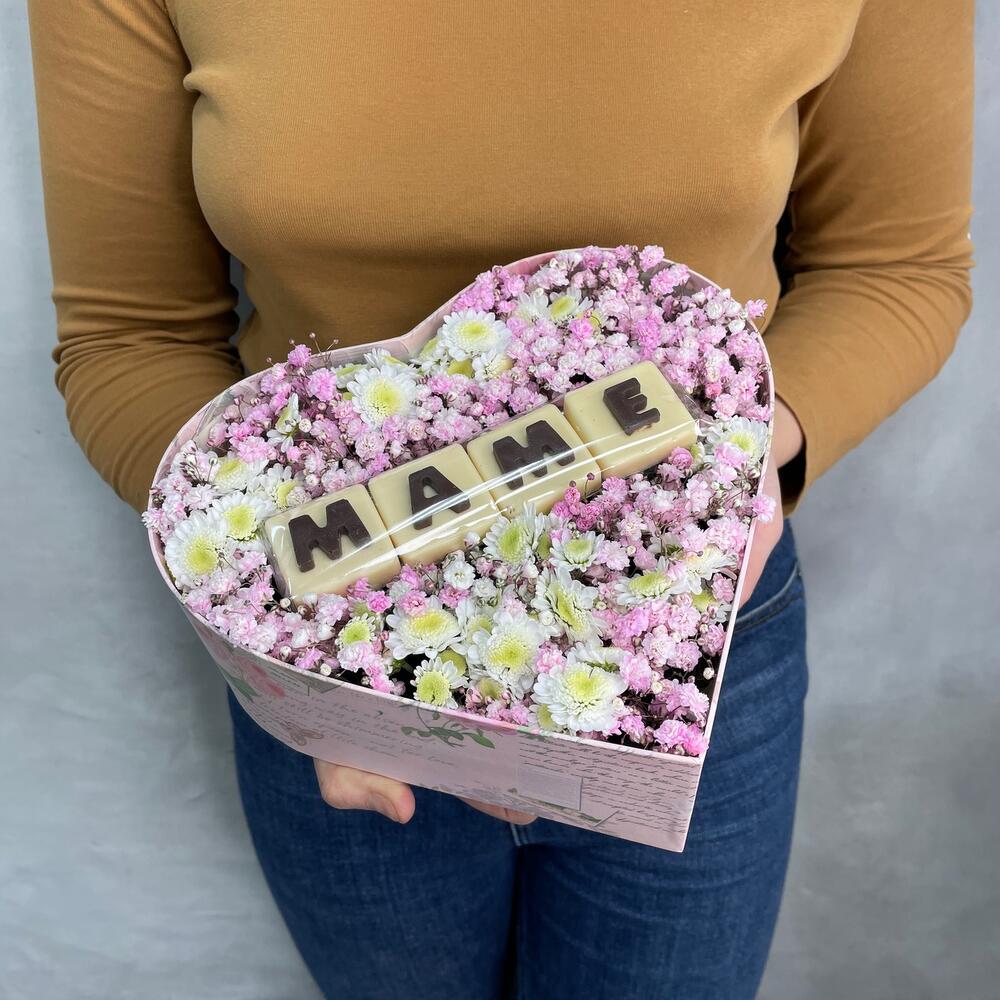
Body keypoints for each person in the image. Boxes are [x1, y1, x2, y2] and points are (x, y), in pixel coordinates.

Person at [27, 2, 973, 997]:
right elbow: (131, 337)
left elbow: (894, 265)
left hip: (692, 638)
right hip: (334, 665)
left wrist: (731, 462)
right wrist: (312, 642)